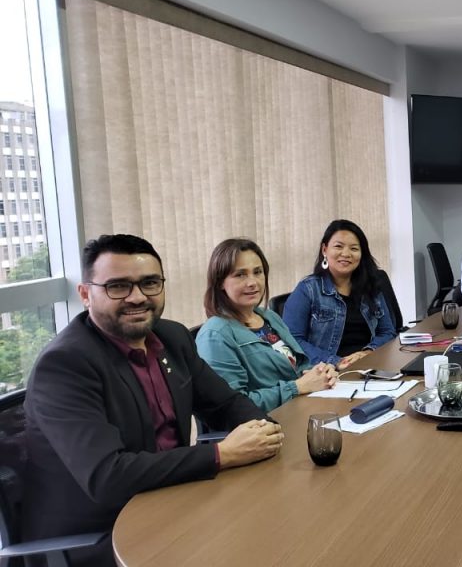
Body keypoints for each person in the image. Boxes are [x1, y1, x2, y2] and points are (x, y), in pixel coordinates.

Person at [23, 234, 283, 566]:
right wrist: (222, 454)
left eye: (150, 283)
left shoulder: (172, 337)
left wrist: (264, 430)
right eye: (118, 286)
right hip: (104, 533)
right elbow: (108, 477)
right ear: (86, 294)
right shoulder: (65, 365)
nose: (138, 297)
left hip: (176, 499)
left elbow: (226, 403)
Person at [196, 238, 339, 412]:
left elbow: (298, 367)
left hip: (301, 409)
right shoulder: (215, 335)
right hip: (268, 424)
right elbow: (232, 407)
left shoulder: (269, 317)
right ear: (220, 282)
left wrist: (320, 373)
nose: (252, 282)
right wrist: (296, 387)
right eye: (240, 274)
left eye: (258, 272)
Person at [283, 219, 397, 370]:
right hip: (326, 372)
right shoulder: (308, 289)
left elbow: (387, 332)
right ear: (324, 250)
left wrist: (368, 352)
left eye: (354, 248)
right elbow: (292, 341)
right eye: (338, 246)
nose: (346, 254)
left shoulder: (371, 287)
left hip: (368, 367)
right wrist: (336, 361)